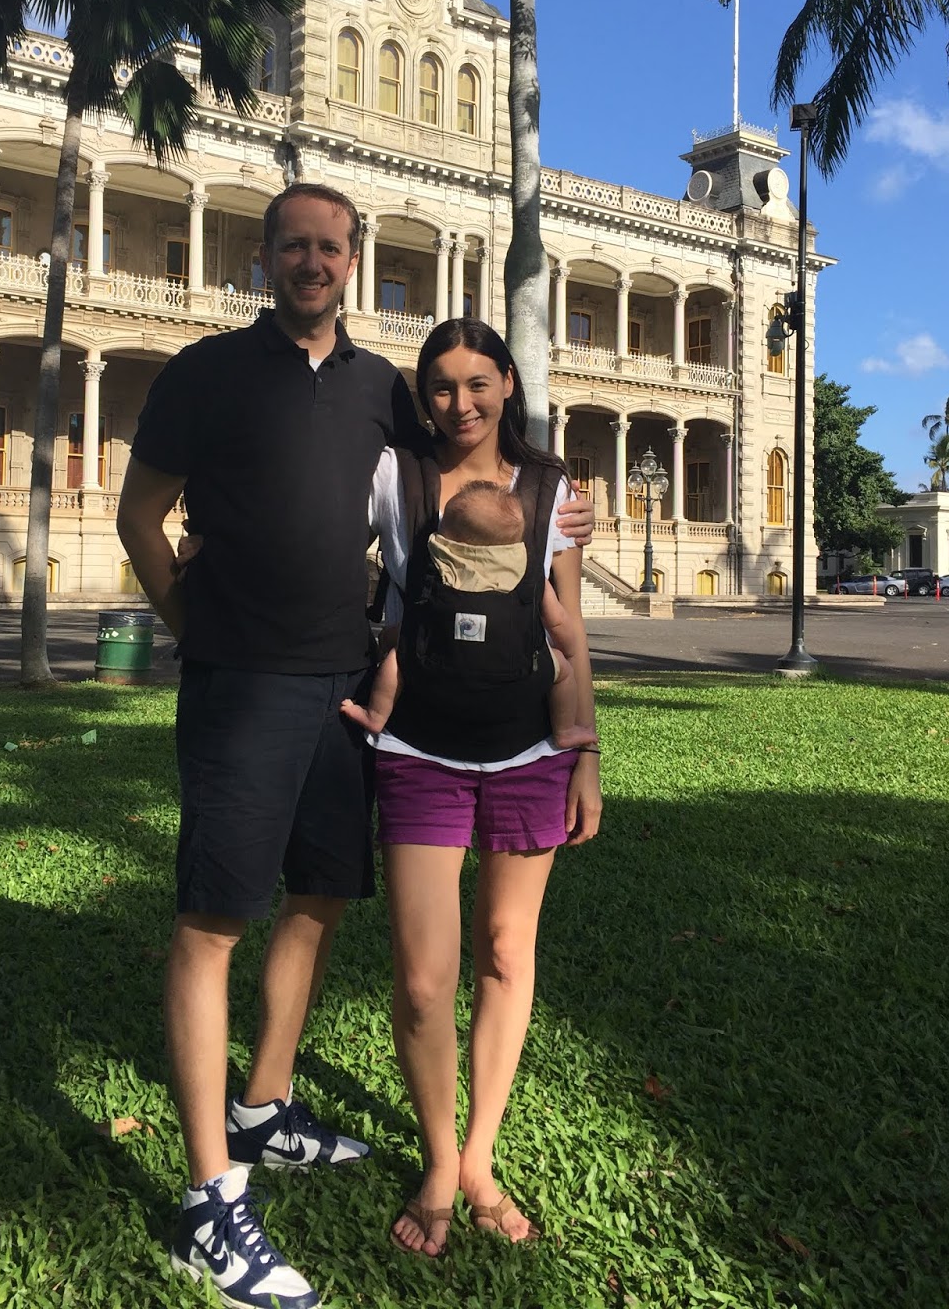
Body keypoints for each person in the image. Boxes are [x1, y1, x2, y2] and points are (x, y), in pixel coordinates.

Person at [117, 184, 595, 1308]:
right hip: (244, 682)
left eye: (333, 246)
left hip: (347, 694)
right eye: (296, 245)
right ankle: (208, 1197)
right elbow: (143, 517)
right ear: (266, 255)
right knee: (211, 918)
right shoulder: (206, 373)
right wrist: (194, 628)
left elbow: (478, 479)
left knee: (322, 896)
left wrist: (561, 513)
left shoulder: (385, 387)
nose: (315, 261)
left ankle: (265, 1105)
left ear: (353, 256)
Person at [362, 318, 602, 1258]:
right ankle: (434, 1157)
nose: (460, 405)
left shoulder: (553, 494)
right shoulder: (396, 478)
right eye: (442, 389)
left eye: (477, 384)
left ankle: (478, 1159)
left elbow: (571, 634)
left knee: (506, 953)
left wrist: (586, 753)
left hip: (528, 752)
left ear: (508, 382)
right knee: (424, 980)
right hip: (419, 750)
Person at [340, 476, 596, 749]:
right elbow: (559, 625)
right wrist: (566, 649)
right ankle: (566, 729)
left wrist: (389, 641)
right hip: (515, 681)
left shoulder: (439, 571)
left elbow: (414, 625)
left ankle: (376, 715)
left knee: (396, 660)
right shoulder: (529, 575)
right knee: (563, 671)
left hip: (437, 681)